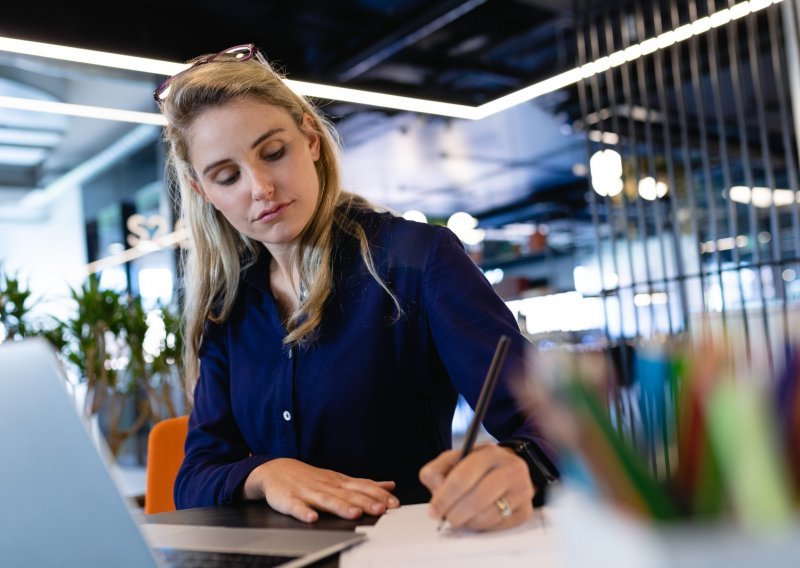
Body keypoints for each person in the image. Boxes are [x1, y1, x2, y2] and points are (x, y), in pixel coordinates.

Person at [156, 44, 558, 532]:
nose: (260, 187)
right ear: (203, 192)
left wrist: (520, 464)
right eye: (227, 176)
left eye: (274, 152)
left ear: (310, 139)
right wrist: (265, 474)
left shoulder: (415, 259)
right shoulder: (229, 308)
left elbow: (554, 423)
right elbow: (195, 477)